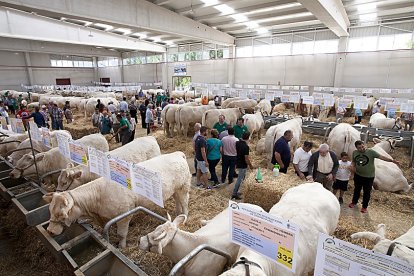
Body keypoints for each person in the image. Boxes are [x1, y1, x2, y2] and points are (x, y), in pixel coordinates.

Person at [349, 140, 400, 213]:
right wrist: (352, 166)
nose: (362, 149)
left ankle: (364, 207)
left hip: (369, 177)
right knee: (357, 189)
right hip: (358, 175)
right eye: (359, 148)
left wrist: (392, 161)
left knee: (367, 192)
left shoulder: (371, 152)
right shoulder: (355, 153)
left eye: (363, 146)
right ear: (356, 148)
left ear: (364, 145)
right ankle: (354, 202)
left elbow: (382, 157)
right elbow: (354, 161)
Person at [231, 131, 254, 200]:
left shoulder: (237, 143)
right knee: (239, 179)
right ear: (248, 138)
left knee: (241, 178)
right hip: (243, 164)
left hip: (238, 161)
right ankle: (234, 194)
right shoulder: (246, 147)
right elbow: (246, 158)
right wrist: (250, 166)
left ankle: (237, 191)